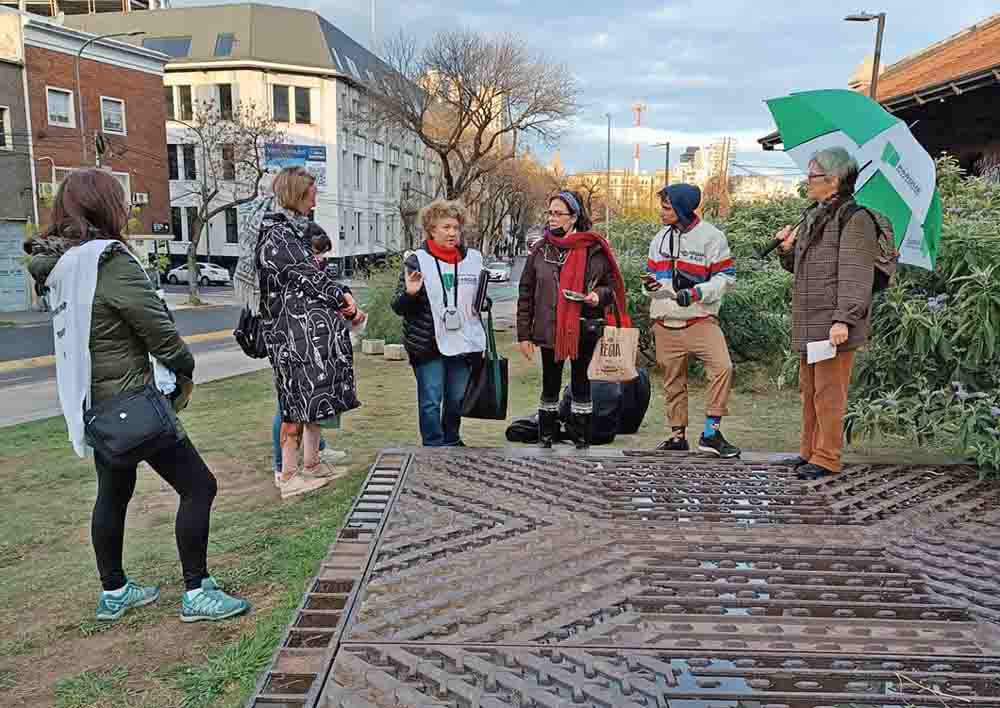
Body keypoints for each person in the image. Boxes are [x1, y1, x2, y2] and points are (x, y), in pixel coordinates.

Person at [25, 168, 248, 623]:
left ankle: (114, 592)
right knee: (199, 486)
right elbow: (159, 333)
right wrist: (184, 370)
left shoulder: (61, 265)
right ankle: (197, 591)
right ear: (106, 207)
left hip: (93, 405)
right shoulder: (108, 261)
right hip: (132, 401)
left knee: (113, 492)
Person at [776, 147, 882, 480]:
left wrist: (844, 319)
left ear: (834, 180)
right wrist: (787, 248)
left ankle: (828, 457)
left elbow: (855, 273)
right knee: (811, 391)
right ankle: (809, 451)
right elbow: (800, 268)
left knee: (830, 393)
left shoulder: (856, 219)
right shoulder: (817, 215)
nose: (807, 181)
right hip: (811, 320)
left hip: (833, 323)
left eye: (813, 176)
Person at [256, 166, 361, 497]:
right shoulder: (278, 235)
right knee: (294, 402)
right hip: (290, 334)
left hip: (306, 333)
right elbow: (307, 276)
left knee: (315, 400)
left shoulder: (296, 231)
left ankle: (312, 463)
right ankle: (287, 476)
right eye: (312, 190)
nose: (316, 196)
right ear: (296, 193)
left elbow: (314, 273)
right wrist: (344, 300)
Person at [516, 191, 629, 449]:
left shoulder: (594, 248)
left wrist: (595, 296)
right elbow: (526, 293)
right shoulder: (541, 249)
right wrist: (524, 335)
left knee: (581, 383)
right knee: (550, 384)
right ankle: (545, 438)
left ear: (574, 217)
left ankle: (581, 439)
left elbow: (610, 288)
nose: (552, 219)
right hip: (548, 328)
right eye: (550, 213)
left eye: (558, 214)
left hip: (583, 327)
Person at [644, 184, 740, 458]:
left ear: (683, 209)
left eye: (666, 208)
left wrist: (698, 292)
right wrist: (650, 288)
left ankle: (711, 432)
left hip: (700, 320)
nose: (661, 213)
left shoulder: (712, 237)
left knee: (723, 368)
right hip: (665, 321)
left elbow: (726, 277)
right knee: (673, 381)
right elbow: (650, 274)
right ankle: (677, 437)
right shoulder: (658, 238)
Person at [391, 199, 485, 447]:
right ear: (431, 229)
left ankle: (452, 440)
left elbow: (478, 300)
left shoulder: (472, 260)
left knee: (457, 398)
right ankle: (433, 445)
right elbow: (398, 307)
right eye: (446, 227)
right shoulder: (416, 260)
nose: (452, 233)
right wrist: (409, 294)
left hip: (463, 343)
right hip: (428, 344)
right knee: (431, 400)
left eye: (455, 227)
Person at [268, 222, 350, 486]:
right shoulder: (287, 271)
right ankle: (284, 469)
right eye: (318, 253)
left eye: (325, 254)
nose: (322, 259)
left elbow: (327, 291)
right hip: (294, 347)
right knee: (289, 413)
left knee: (315, 408)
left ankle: (312, 460)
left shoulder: (315, 272)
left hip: (316, 348)